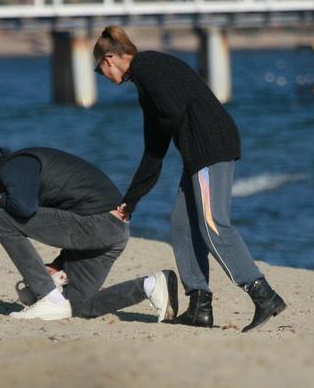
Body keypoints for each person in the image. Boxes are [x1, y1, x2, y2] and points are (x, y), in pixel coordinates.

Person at [93, 26, 286, 332]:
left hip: (210, 147)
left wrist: (160, 124)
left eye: (99, 69)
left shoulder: (150, 68)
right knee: (183, 224)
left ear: (110, 59)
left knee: (213, 225)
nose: (101, 75)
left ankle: (264, 295)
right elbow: (153, 152)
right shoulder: (145, 80)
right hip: (198, 152)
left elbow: (171, 112)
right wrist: (130, 200)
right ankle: (199, 305)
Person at [0, 146, 178, 322]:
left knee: (3, 222)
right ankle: (151, 285)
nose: (1, 207)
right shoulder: (25, 179)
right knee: (74, 306)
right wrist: (58, 265)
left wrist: (3, 203)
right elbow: (69, 217)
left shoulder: (12, 166)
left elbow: (24, 208)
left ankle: (48, 297)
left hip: (100, 223)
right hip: (112, 230)